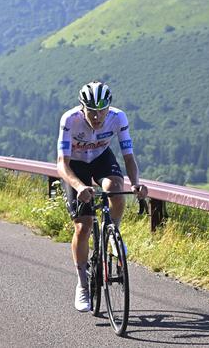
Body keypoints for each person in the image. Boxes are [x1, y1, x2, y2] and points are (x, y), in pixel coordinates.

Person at [56, 81, 148, 312]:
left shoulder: (119, 117)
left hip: (100, 159)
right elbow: (61, 164)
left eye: (102, 111)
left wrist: (136, 184)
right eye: (91, 111)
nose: (97, 117)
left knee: (116, 189)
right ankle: (83, 285)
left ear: (109, 108)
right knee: (83, 227)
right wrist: (78, 187)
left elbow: (128, 157)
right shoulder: (69, 120)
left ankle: (113, 235)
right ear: (82, 108)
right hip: (75, 166)